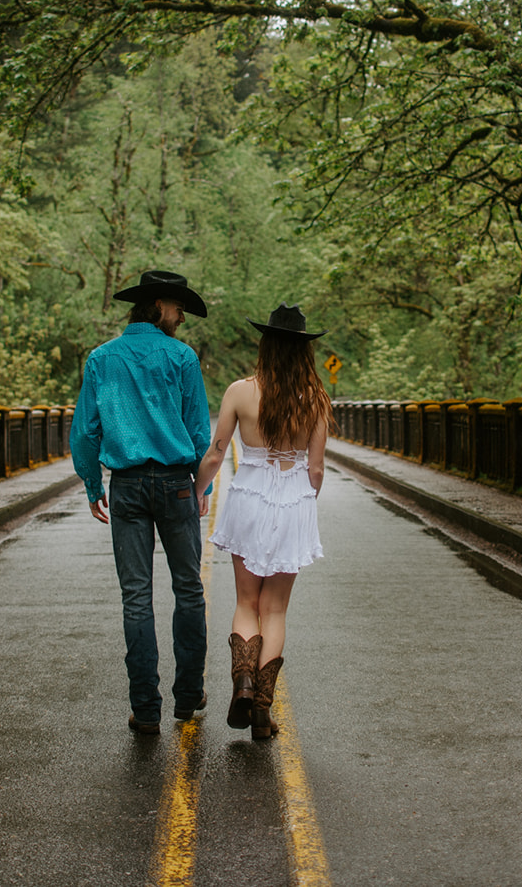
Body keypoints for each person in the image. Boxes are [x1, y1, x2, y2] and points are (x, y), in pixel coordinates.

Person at [71, 269, 213, 736]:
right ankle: (188, 697)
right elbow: (197, 432)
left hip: (127, 486)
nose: (181, 319)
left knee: (136, 598)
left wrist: (94, 485)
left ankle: (145, 709)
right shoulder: (181, 357)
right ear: (157, 305)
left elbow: (86, 431)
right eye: (178, 309)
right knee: (189, 589)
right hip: (174, 483)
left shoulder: (102, 359)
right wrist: (201, 489)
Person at [196, 303, 332, 740]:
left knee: (245, 603)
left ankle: (243, 682)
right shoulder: (315, 399)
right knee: (275, 608)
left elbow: (217, 452)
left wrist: (198, 490)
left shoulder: (240, 391)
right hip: (293, 501)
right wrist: (303, 503)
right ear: (304, 352)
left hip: (249, 498)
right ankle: (261, 710)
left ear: (265, 345)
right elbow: (315, 470)